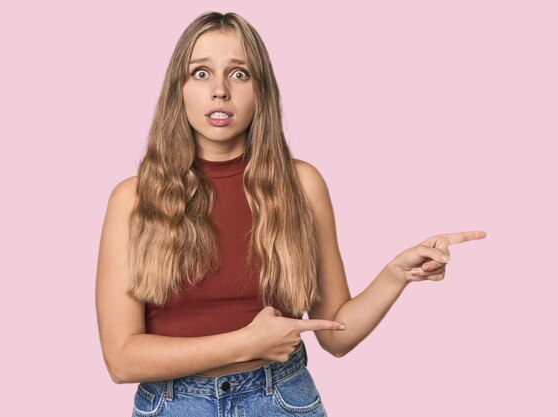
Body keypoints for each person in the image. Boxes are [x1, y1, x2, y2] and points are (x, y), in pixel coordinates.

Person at [95, 11, 487, 417]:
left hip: (281, 400)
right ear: (177, 88)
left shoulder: (302, 185)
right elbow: (121, 360)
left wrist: (397, 274)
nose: (220, 91)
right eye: (200, 73)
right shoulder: (134, 199)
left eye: (239, 74)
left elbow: (335, 334)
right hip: (173, 405)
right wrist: (247, 342)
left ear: (261, 90)